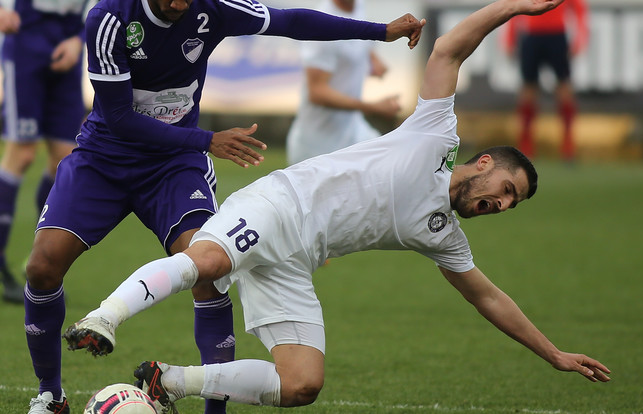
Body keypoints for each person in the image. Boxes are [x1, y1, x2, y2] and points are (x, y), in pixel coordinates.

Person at [65, 0, 611, 411]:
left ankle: (169, 382)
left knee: (302, 384)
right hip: (278, 205)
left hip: (298, 259)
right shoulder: (435, 134)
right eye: (508, 190)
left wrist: (554, 354)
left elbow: (489, 299)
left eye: (511, 206)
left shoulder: (444, 233)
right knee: (208, 262)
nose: (502, 205)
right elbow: (449, 49)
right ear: (487, 163)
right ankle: (104, 318)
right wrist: (517, 7)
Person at [22, 0, 425, 412]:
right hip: (105, 159)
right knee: (42, 266)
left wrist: (380, 31)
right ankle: (51, 395)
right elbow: (121, 118)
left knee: (210, 269)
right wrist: (207, 140)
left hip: (173, 166)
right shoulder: (109, 18)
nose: (181, 3)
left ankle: (215, 408)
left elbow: (290, 20)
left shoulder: (211, 8)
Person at [0, 0, 88, 304]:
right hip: (27, 40)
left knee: (66, 160)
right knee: (22, 154)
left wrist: (80, 40)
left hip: (68, 41)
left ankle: (37, 257)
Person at [286, 0, 401, 165]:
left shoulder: (357, 6)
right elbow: (317, 92)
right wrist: (373, 108)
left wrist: (373, 59)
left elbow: (360, 37)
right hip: (317, 147)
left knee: (395, 167)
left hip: (354, 133)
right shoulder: (322, 25)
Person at [502, 0, 589, 161]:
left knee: (563, 86)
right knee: (529, 88)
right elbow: (514, 6)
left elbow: (578, 8)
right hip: (532, 34)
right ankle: (526, 146)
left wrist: (580, 38)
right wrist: (510, 37)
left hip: (556, 33)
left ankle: (568, 146)